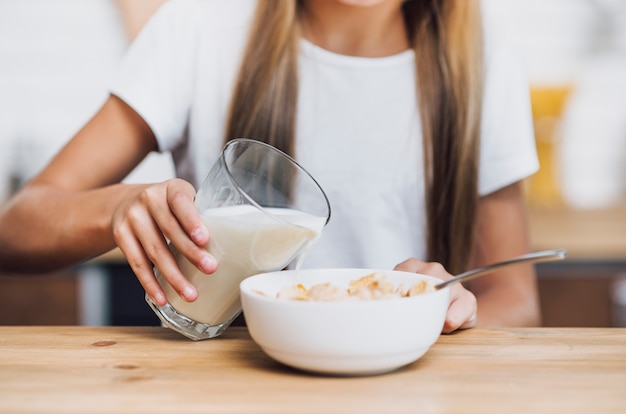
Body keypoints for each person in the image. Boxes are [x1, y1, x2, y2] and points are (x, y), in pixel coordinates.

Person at [0, 0, 541, 333]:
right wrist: (120, 207)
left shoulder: (484, 67)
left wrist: (442, 315)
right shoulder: (199, 29)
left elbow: (517, 301)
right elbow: (16, 229)